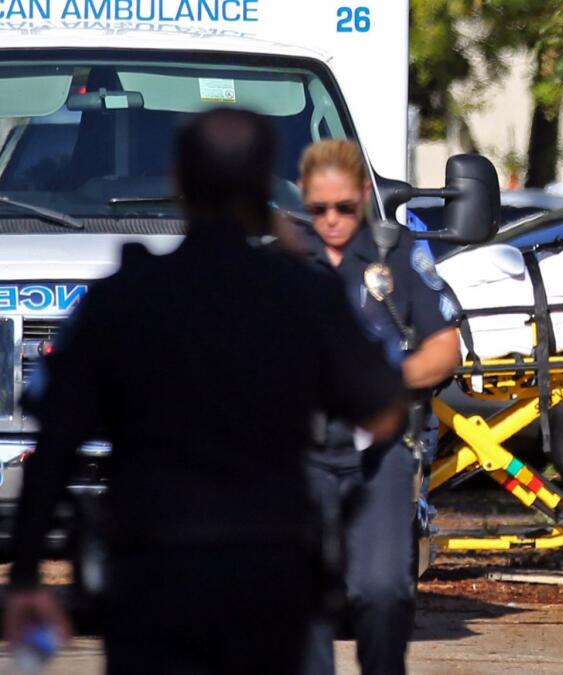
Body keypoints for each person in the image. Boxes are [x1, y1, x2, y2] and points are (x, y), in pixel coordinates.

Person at [3, 108, 409, 674]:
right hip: (268, 574)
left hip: (152, 576)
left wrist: (25, 575)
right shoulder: (301, 297)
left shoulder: (123, 300)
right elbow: (384, 408)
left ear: (177, 182)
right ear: (269, 185)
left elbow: (55, 444)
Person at [296, 139, 461, 675]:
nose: (333, 220)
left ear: (365, 196)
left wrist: (390, 379)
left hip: (379, 445)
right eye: (319, 209)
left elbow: (444, 346)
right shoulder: (286, 263)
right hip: (303, 451)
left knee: (385, 592)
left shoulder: (396, 254)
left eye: (344, 207)